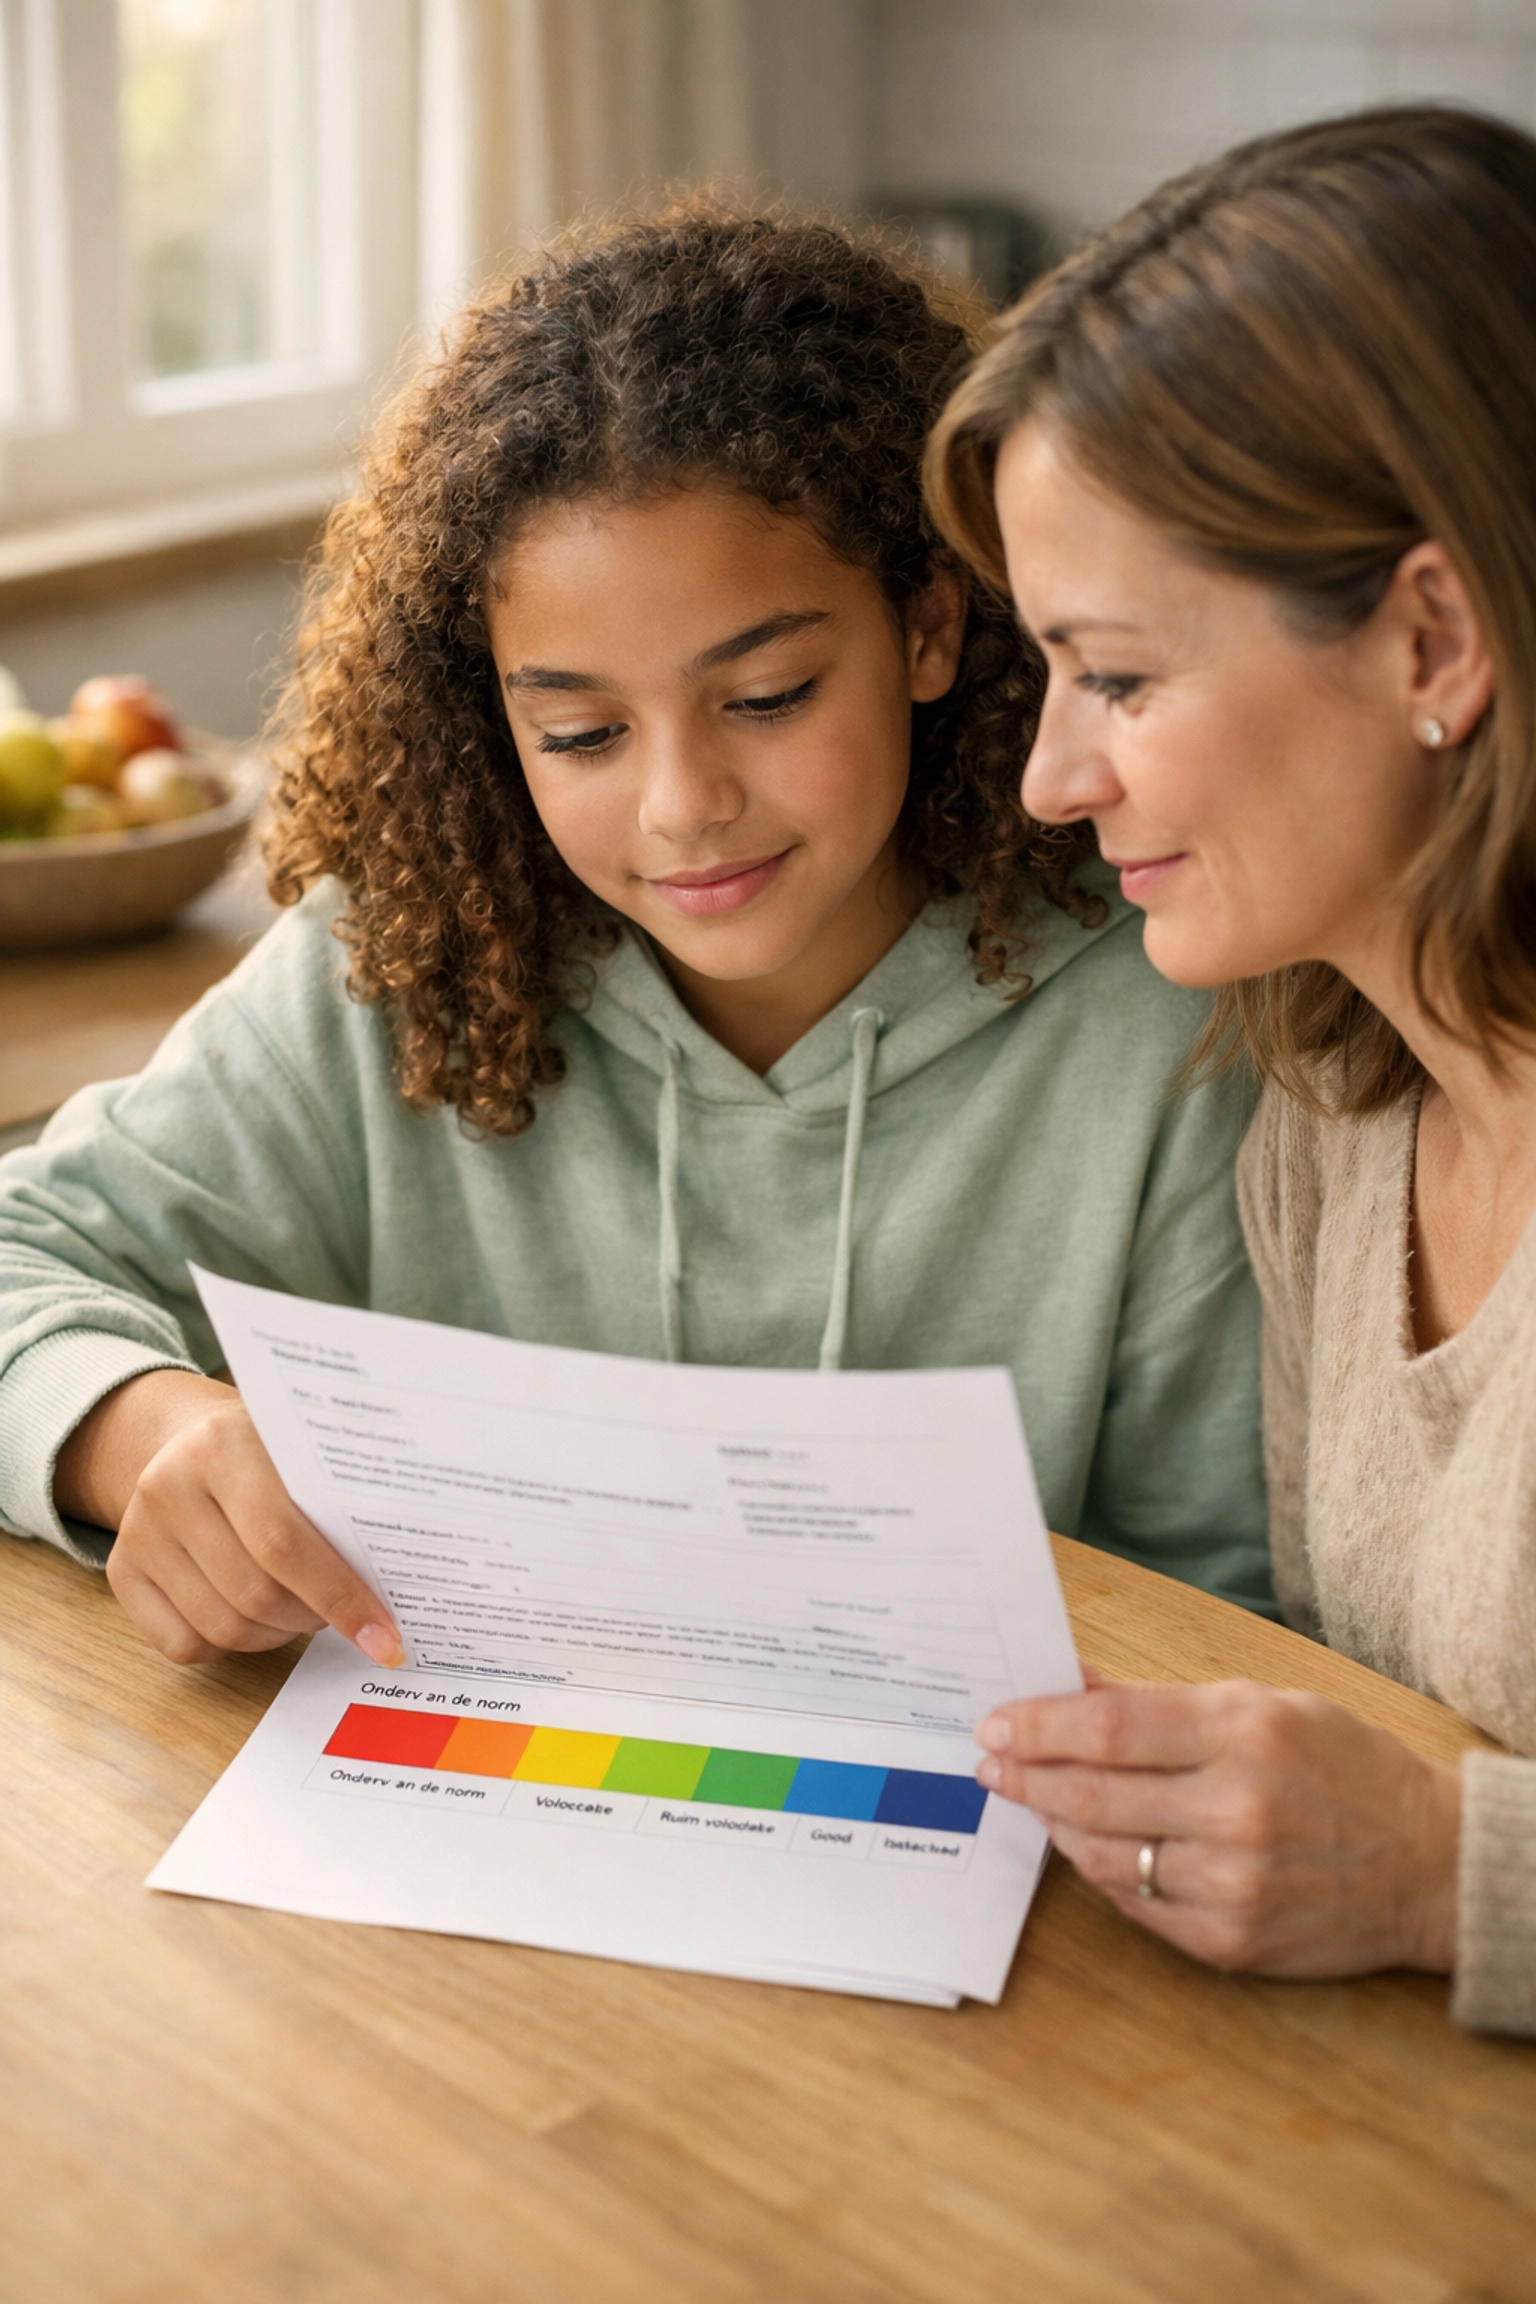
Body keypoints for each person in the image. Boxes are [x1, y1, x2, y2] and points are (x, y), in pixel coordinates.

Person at [0, 200, 1270, 1674]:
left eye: (771, 696)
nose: (683, 807)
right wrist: (135, 1425)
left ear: (930, 626)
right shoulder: (413, 961)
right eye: (584, 730)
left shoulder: (1161, 1013)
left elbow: (1222, 1611)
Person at [928, 105, 1536, 2034]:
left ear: (1433, 633)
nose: (1048, 777)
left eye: (1117, 676)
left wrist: (1459, 1876)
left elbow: (1427, 1829)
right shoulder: (1333, 1111)